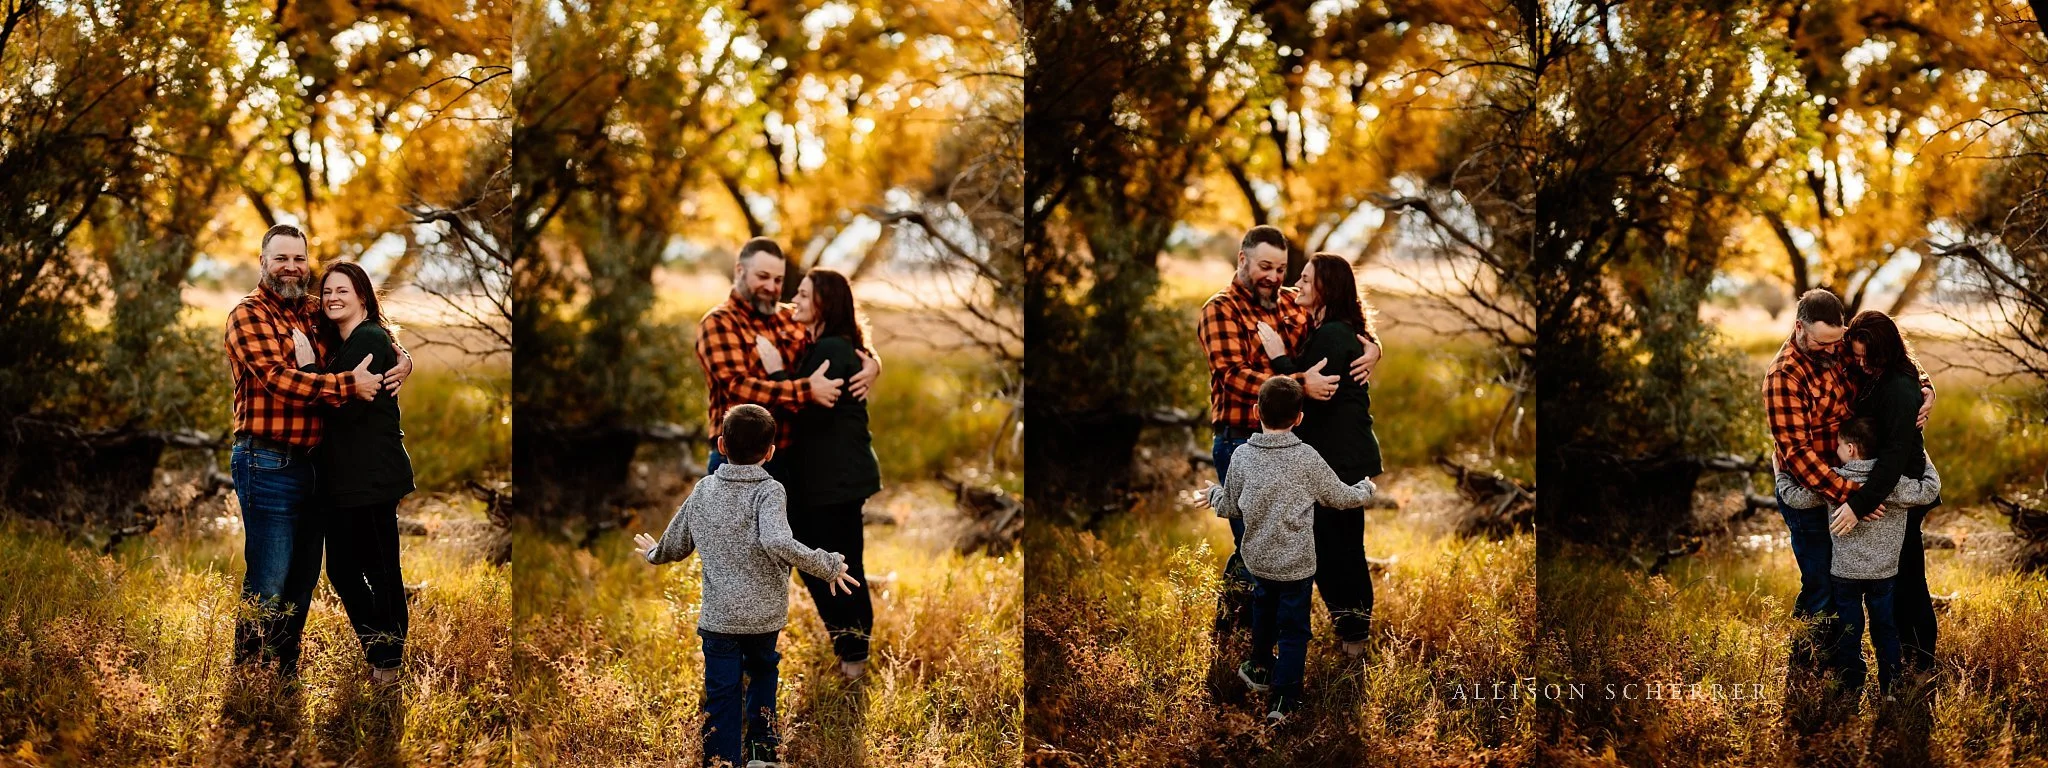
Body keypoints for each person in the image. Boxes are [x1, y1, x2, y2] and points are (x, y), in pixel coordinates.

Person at [223, 223, 412, 678]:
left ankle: (283, 670)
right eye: (281, 258)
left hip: (314, 466)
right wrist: (350, 384)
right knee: (269, 579)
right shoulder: (248, 315)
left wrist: (402, 357)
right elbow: (278, 379)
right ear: (263, 262)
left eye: (299, 258)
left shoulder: (310, 311)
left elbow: (365, 331)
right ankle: (248, 673)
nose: (291, 266)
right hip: (266, 460)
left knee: (303, 579)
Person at [634, 405, 860, 768]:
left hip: (719, 619)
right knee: (763, 674)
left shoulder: (704, 489)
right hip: (763, 617)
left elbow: (676, 543)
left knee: (721, 692)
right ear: (770, 452)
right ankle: (762, 754)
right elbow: (777, 541)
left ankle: (723, 760)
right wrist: (827, 564)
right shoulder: (770, 491)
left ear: (721, 444)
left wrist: (653, 553)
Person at [1197, 226, 1378, 627]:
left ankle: (1276, 637)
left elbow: (1338, 322)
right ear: (1242, 259)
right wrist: (1299, 384)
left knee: (1292, 543)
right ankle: (1232, 636)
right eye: (1265, 266)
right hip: (1241, 441)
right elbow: (1233, 376)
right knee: (1253, 546)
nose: (1275, 277)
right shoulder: (1220, 309)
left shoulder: (1289, 304)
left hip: (1291, 442)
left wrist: (1372, 345)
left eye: (1281, 269)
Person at [1761, 289, 1931, 671]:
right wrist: (1854, 498)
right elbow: (1800, 457)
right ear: (1800, 327)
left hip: (1857, 481)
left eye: (1836, 342)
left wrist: (1925, 386)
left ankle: (1844, 669)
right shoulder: (1784, 376)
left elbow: (1888, 356)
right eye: (1822, 343)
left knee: (1853, 587)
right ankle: (1805, 670)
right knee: (1821, 587)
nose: (1831, 351)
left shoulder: (1838, 343)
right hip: (1815, 491)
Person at [1198, 376, 1378, 723]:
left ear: (1255, 412)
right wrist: (1365, 488)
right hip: (1296, 567)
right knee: (1294, 631)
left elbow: (1230, 507)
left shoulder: (1242, 457)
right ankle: (1285, 700)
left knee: (1264, 616)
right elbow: (1340, 497)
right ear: (1299, 417)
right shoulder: (1307, 458)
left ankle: (1260, 668)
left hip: (1260, 562)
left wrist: (1211, 494)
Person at [294, 261, 416, 685]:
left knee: (381, 571)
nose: (332, 298)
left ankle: (388, 665)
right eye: (326, 291)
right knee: (343, 570)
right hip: (345, 481)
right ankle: (379, 654)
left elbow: (337, 399)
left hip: (372, 478)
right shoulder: (347, 339)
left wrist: (309, 369)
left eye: (342, 290)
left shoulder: (367, 337)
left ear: (363, 295)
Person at [1257, 253, 1384, 657]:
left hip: (1340, 460)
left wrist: (1278, 356)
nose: (1297, 282)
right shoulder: (1330, 330)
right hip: (1336, 457)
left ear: (1327, 287)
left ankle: (1355, 641)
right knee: (1335, 550)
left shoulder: (1332, 335)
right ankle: (1351, 637)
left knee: (1340, 552)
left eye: (1307, 278)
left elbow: (1313, 392)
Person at [758, 269, 881, 679]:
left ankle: (854, 660)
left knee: (840, 568)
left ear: (825, 303)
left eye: (805, 294)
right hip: (830, 480)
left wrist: (776, 372)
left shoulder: (832, 348)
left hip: (836, 481)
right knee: (830, 565)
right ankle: (851, 654)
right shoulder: (832, 345)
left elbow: (806, 404)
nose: (795, 298)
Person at [694, 238, 878, 478]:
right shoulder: (719, 322)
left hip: (791, 455)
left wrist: (872, 360)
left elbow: (840, 332)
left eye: (778, 280)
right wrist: (807, 390)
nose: (771, 286)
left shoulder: (792, 316)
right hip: (738, 459)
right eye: (763, 276)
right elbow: (738, 388)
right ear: (740, 271)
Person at [1784, 417, 1939, 697]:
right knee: (1885, 632)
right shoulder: (1894, 483)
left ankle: (1850, 686)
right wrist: (1925, 457)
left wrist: (1779, 473)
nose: (1836, 450)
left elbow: (1795, 498)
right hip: (1884, 575)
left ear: (1852, 449)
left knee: (1849, 633)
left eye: (1840, 445)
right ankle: (1890, 688)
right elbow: (1930, 490)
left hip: (1845, 577)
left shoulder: (1835, 480)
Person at [1842, 309, 1943, 674]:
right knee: (1892, 573)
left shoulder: (1899, 389)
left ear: (1886, 350)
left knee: (1908, 577)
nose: (1861, 363)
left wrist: (1859, 504)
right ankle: (1901, 654)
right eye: (1856, 356)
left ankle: (1921, 659)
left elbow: (1896, 457)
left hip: (1902, 488)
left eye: (1868, 358)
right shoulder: (1873, 366)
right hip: (1882, 483)